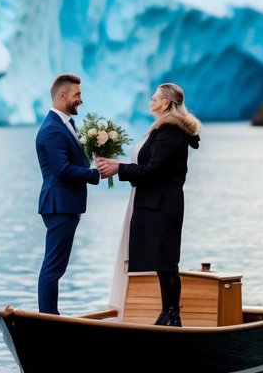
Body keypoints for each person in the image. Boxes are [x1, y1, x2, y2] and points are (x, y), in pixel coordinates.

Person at [96, 82, 200, 326]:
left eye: (155, 98)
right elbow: (150, 167)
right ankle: (168, 313)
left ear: (166, 102)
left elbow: (154, 171)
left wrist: (119, 168)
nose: (151, 101)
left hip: (163, 206)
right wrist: (118, 165)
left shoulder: (170, 131)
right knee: (163, 263)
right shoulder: (164, 130)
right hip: (157, 204)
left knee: (167, 262)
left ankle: (173, 315)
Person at [35, 73, 100, 314]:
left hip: (66, 204)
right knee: (53, 267)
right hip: (59, 204)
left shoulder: (65, 125)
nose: (80, 100)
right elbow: (62, 169)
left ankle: (50, 315)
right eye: (77, 95)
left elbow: (71, 160)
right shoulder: (52, 130)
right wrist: (94, 174)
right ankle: (48, 317)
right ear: (63, 95)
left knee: (56, 266)